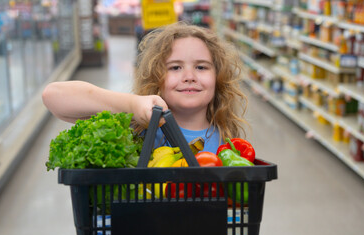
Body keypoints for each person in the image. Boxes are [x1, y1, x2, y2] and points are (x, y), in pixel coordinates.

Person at [42, 21, 248, 153]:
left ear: (218, 78)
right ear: (156, 77)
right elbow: (53, 95)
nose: (189, 76)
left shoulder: (227, 142)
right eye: (175, 67)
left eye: (201, 67)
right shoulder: (137, 128)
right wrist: (132, 105)